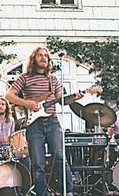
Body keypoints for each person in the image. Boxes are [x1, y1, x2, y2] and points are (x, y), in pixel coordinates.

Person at [5, 47, 82, 196]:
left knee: (60, 157)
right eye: (40, 55)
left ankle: (68, 191)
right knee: (37, 162)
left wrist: (75, 97)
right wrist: (27, 103)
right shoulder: (25, 77)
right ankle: (42, 193)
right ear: (33, 59)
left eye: (46, 56)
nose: (43, 58)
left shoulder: (53, 80)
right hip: (34, 125)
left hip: (53, 122)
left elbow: (62, 101)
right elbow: (9, 95)